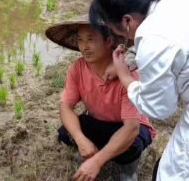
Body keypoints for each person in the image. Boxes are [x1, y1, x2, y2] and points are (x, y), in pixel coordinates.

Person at [89, 0, 189, 181]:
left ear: (126, 21)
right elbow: (171, 45)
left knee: (176, 173)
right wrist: (131, 59)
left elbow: (161, 108)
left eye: (114, 29)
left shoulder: (154, 37)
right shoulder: (177, 1)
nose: (115, 35)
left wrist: (125, 75)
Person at [45, 15, 156, 181]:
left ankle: (129, 170)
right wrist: (81, 140)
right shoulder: (77, 68)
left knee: (131, 146)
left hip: (131, 125)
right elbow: (65, 107)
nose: (84, 46)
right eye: (80, 40)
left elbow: (131, 128)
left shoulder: (127, 74)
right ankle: (96, 151)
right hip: (100, 120)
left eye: (91, 39)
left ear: (109, 42)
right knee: (66, 133)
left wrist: (97, 161)